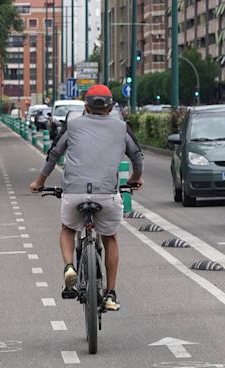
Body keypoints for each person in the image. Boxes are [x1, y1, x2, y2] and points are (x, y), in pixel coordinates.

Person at [29, 84, 144, 311]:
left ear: (87, 107)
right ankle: (111, 293)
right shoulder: (121, 127)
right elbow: (137, 157)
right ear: (110, 106)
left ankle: (70, 267)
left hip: (74, 192)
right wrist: (135, 178)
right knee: (109, 237)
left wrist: (39, 182)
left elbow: (53, 154)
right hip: (106, 194)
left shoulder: (72, 125)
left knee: (68, 229)